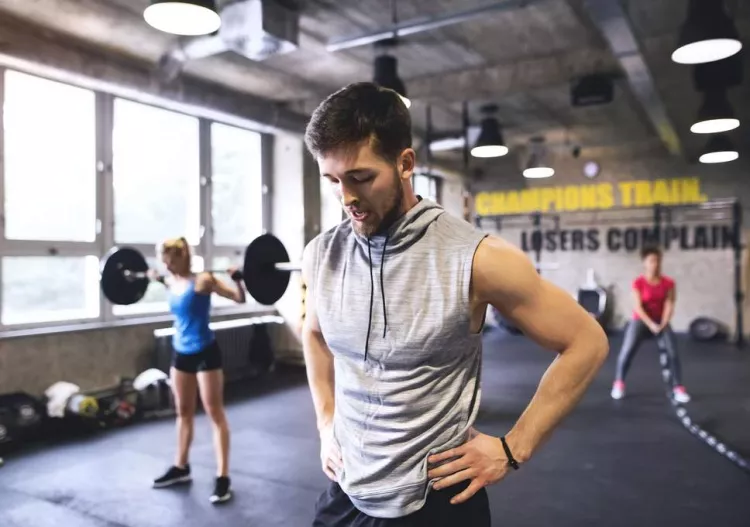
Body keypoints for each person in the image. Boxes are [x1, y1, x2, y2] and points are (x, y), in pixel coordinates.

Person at [301, 82, 609, 526]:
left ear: (405, 163)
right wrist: (325, 421)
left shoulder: (477, 258)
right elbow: (313, 334)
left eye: (361, 177)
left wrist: (512, 449)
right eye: (333, 180)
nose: (346, 198)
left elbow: (587, 341)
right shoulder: (321, 254)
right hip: (347, 492)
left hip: (436, 502)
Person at [149, 237, 246, 504]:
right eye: (164, 263)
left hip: (205, 352)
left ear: (183, 258)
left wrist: (238, 278)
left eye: (171, 261)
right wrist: (156, 278)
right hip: (180, 353)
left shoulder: (203, 280)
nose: (167, 267)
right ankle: (181, 467)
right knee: (183, 413)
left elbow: (239, 298)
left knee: (215, 413)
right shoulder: (171, 281)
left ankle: (223, 477)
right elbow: (165, 280)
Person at [611, 247, 690, 403]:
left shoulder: (669, 283)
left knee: (672, 352)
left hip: (661, 320)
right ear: (645, 263)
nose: (656, 264)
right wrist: (650, 324)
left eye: (658, 260)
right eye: (652, 261)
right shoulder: (638, 282)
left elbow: (669, 304)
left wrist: (663, 323)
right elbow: (638, 308)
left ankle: (678, 388)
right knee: (627, 351)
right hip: (641, 320)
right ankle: (619, 383)